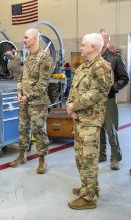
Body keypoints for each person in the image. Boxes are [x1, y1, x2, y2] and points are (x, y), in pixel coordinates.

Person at [66, 33, 113, 210]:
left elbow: (96, 94)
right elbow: (73, 88)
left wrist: (74, 106)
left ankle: (89, 198)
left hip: (91, 121)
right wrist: (71, 106)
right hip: (79, 119)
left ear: (93, 47)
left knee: (88, 159)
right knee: (80, 158)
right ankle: (88, 187)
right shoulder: (83, 66)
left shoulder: (102, 67)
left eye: (84, 45)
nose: (81, 47)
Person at [9, 28, 52, 174]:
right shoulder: (27, 56)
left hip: (37, 103)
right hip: (24, 101)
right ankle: (22, 156)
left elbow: (43, 84)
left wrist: (28, 96)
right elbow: (22, 77)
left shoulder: (44, 57)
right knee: (23, 128)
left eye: (26, 37)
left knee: (38, 130)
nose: (24, 40)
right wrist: (19, 93)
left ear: (35, 39)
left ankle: (42, 160)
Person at [99, 29, 129, 170]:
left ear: (107, 41)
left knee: (111, 130)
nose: (99, 41)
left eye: (102, 39)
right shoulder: (92, 59)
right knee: (98, 129)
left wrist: (113, 88)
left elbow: (124, 78)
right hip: (94, 101)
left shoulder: (115, 58)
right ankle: (102, 154)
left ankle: (115, 158)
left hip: (109, 99)